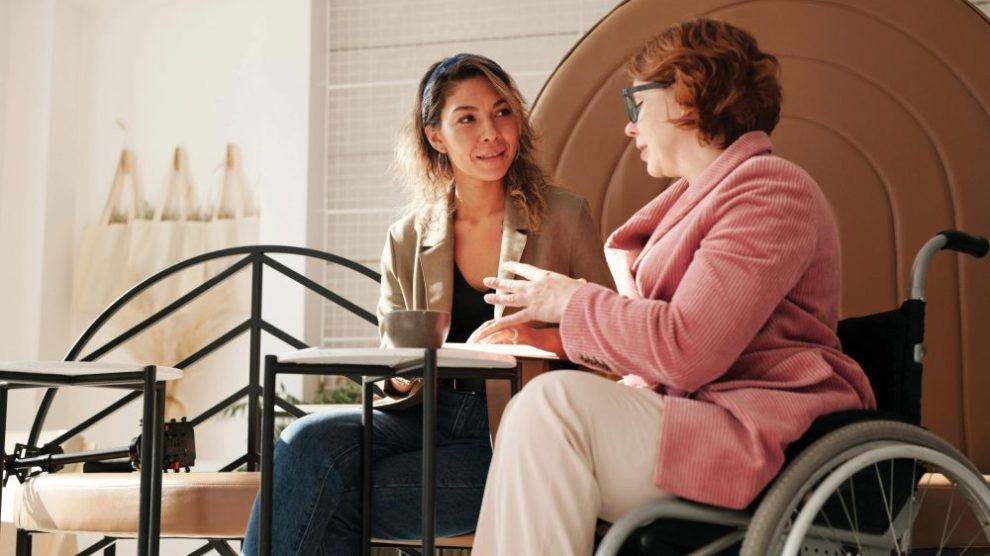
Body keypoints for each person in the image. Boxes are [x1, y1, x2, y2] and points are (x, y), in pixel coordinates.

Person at [468, 19, 876, 555]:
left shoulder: (773, 193)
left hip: (751, 430)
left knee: (549, 410)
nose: (629, 127)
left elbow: (687, 349)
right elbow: (669, 341)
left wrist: (569, 300)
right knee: (534, 413)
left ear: (686, 93)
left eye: (636, 103)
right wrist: (556, 339)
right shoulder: (700, 201)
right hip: (689, 413)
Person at [242, 53, 613, 556]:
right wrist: (400, 366)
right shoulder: (408, 236)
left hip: (517, 430)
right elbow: (394, 374)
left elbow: (611, 344)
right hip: (423, 416)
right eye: (467, 118)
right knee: (302, 441)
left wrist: (539, 340)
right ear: (435, 135)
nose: (491, 132)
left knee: (327, 496)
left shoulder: (564, 216)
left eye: (502, 113)